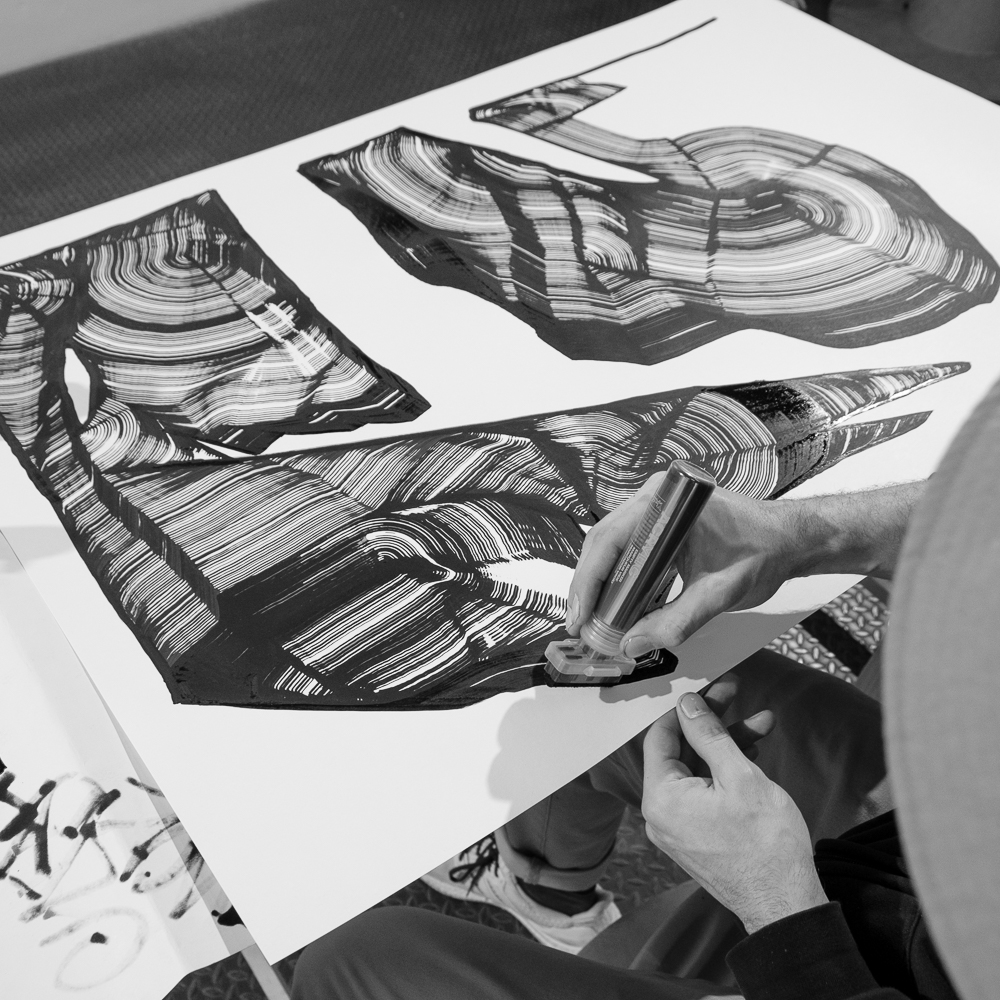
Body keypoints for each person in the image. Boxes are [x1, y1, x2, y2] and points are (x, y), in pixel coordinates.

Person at [291, 478, 959, 1000]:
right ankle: (552, 897)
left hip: (875, 969)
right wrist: (802, 534)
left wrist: (779, 906)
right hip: (945, 831)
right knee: (616, 700)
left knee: (351, 965)